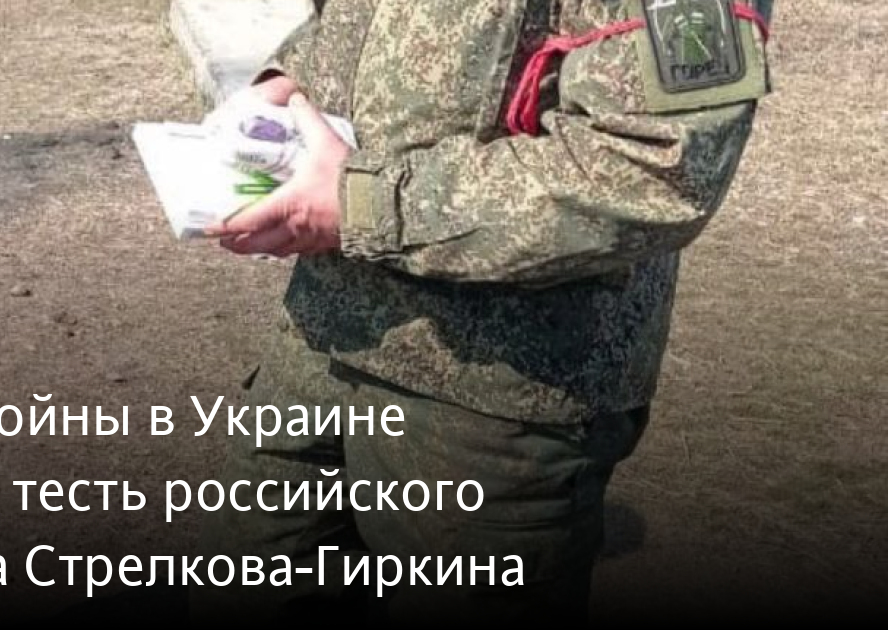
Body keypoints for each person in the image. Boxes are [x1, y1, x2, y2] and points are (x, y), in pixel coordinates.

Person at [192, 0, 773, 622]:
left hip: (496, 397)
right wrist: (289, 84)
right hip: (325, 331)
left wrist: (365, 205)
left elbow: (656, 171)